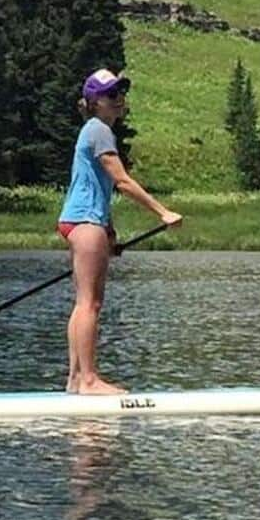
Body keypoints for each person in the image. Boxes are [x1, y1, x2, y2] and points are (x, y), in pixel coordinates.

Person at [56, 69, 181, 395]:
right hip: (85, 223)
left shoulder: (94, 131)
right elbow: (121, 181)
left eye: (121, 93)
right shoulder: (98, 131)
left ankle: (74, 380)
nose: (119, 100)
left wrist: (109, 235)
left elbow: (96, 187)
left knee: (82, 303)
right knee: (90, 304)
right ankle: (89, 380)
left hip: (82, 221)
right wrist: (163, 212)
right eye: (112, 95)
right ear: (95, 102)